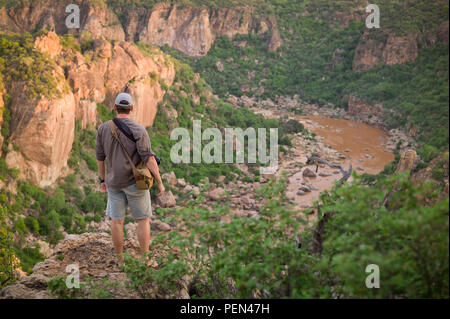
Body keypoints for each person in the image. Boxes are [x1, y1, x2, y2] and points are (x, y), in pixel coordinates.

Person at [95, 92, 165, 263]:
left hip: (114, 182)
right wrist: (160, 182)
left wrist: (103, 180)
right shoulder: (139, 130)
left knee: (117, 222)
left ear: (115, 108)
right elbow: (149, 159)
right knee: (143, 220)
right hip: (136, 182)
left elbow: (100, 158)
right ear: (132, 108)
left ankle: (119, 260)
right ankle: (145, 259)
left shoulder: (103, 129)